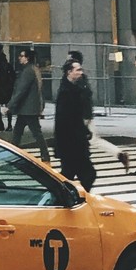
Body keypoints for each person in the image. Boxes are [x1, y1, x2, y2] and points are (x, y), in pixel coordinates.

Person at [54, 58, 96, 188]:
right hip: (71, 141)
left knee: (72, 173)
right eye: (77, 70)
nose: (80, 72)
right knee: (85, 174)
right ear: (69, 72)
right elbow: (65, 119)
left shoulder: (76, 87)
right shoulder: (66, 92)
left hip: (74, 140)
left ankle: (67, 197)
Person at [8, 46, 49, 161]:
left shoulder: (28, 71)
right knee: (20, 132)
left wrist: (10, 105)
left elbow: (21, 90)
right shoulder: (34, 69)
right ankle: (44, 154)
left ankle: (44, 154)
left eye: (21, 56)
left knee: (33, 133)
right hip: (29, 108)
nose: (19, 58)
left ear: (27, 58)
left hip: (27, 109)